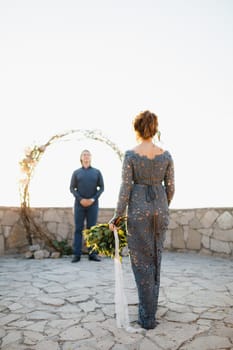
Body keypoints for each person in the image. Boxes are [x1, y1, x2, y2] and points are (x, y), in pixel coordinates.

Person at [109, 110, 175, 330]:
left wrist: (117, 216)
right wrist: (161, 207)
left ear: (136, 128)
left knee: (141, 264)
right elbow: (171, 188)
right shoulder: (166, 155)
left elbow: (125, 188)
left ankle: (147, 318)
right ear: (154, 129)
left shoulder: (131, 155)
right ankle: (150, 310)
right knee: (156, 259)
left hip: (138, 211)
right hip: (160, 210)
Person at [70, 149, 104, 263]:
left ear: (91, 158)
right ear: (81, 158)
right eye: (84, 155)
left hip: (93, 205)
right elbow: (72, 188)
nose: (86, 156)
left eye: (88, 155)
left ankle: (92, 254)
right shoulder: (76, 172)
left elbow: (102, 188)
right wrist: (80, 199)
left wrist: (93, 199)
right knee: (78, 229)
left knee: (92, 229)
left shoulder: (97, 172)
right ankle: (77, 255)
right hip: (79, 205)